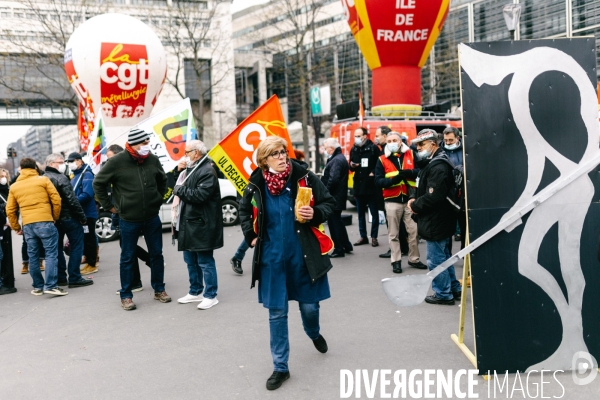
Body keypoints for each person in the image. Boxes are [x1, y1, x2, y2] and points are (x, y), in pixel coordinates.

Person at [239, 136, 335, 391]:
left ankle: (313, 333)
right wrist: (250, 236)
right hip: (272, 259)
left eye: (283, 152)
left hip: (303, 257)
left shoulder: (304, 177)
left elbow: (329, 203)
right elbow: (243, 212)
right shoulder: (255, 183)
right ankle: (280, 367)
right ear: (264, 160)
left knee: (309, 308)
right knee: (277, 314)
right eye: (276, 154)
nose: (282, 157)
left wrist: (316, 213)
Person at [93, 127, 169, 311]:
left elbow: (162, 180)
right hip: (128, 218)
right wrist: (110, 206)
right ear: (133, 144)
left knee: (157, 254)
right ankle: (126, 295)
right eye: (144, 143)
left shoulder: (152, 159)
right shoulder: (116, 162)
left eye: (148, 143)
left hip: (151, 217)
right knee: (127, 258)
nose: (147, 146)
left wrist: (158, 199)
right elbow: (98, 183)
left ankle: (159, 289)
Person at [408, 129, 461, 305]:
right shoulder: (437, 161)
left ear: (433, 144)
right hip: (440, 218)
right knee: (444, 256)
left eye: (421, 144)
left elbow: (433, 196)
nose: (418, 148)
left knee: (436, 259)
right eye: (417, 145)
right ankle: (453, 288)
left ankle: (443, 293)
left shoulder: (437, 165)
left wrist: (415, 205)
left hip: (436, 219)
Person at [172, 140, 223, 309]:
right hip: (188, 222)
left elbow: (199, 196)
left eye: (187, 152)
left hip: (202, 224)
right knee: (190, 260)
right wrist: (177, 172)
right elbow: (173, 185)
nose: (184, 155)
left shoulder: (207, 170)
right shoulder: (190, 168)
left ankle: (210, 295)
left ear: (196, 153)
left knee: (205, 260)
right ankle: (195, 291)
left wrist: (178, 189)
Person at [6, 157, 66, 296]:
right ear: (35, 167)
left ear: (20, 169)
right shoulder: (43, 180)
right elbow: (56, 199)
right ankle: (50, 285)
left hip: (28, 224)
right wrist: (54, 217)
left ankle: (38, 286)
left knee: (33, 256)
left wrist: (16, 227)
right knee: (51, 254)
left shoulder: (14, 186)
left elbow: (10, 209)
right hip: (45, 220)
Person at [375, 131, 427, 274]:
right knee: (393, 234)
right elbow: (378, 181)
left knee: (414, 231)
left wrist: (410, 173)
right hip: (392, 200)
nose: (392, 143)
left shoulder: (411, 153)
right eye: (389, 140)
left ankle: (414, 259)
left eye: (394, 140)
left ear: (401, 141)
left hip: (411, 199)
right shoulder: (381, 159)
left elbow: (422, 171)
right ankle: (396, 261)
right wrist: (393, 181)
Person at [106, 144, 150, 295]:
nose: (108, 162)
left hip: (129, 214)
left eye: (110, 158)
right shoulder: (113, 170)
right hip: (120, 212)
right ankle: (136, 279)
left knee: (127, 248)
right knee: (126, 247)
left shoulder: (124, 169)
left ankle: (138, 277)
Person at [44, 154, 93, 288]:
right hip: (69, 217)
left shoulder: (42, 179)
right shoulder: (62, 178)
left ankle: (61, 277)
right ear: (51, 163)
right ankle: (75, 277)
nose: (63, 164)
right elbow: (72, 200)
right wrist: (82, 217)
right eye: (60, 162)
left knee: (57, 248)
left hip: (53, 219)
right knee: (77, 245)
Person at [67, 152, 98, 275]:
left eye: (72, 161)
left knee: (89, 239)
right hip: (80, 213)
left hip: (87, 213)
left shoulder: (87, 174)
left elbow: (87, 194)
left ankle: (92, 264)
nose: (70, 164)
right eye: (69, 162)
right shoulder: (76, 176)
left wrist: (72, 202)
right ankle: (89, 260)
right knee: (85, 239)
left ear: (80, 161)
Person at [349, 127, 380, 247]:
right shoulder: (354, 149)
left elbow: (379, 164)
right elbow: (350, 165)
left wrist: (373, 172)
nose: (356, 138)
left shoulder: (373, 148)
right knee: (360, 213)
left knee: (373, 213)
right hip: (358, 186)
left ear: (365, 136)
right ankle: (363, 236)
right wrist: (352, 166)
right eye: (355, 136)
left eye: (358, 136)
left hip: (371, 186)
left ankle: (374, 237)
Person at [322, 137, 352, 258]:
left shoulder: (336, 160)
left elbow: (333, 179)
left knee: (334, 223)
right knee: (338, 222)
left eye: (325, 149)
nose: (325, 151)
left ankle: (339, 249)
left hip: (334, 197)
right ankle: (346, 245)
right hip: (337, 196)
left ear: (331, 148)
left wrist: (325, 193)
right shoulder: (338, 158)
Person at [442, 126, 466, 248]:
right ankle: (448, 255)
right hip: (447, 192)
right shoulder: (441, 150)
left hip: (462, 193)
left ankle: (465, 252)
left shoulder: (465, 149)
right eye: (445, 140)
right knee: (447, 228)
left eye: (450, 140)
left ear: (457, 138)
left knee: (464, 226)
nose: (447, 143)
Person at [0, 170, 15, 295]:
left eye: (5, 176)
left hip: (5, 225)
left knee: (4, 254)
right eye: (1, 176)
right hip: (3, 224)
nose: (4, 178)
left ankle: (6, 277)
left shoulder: (7, 189)